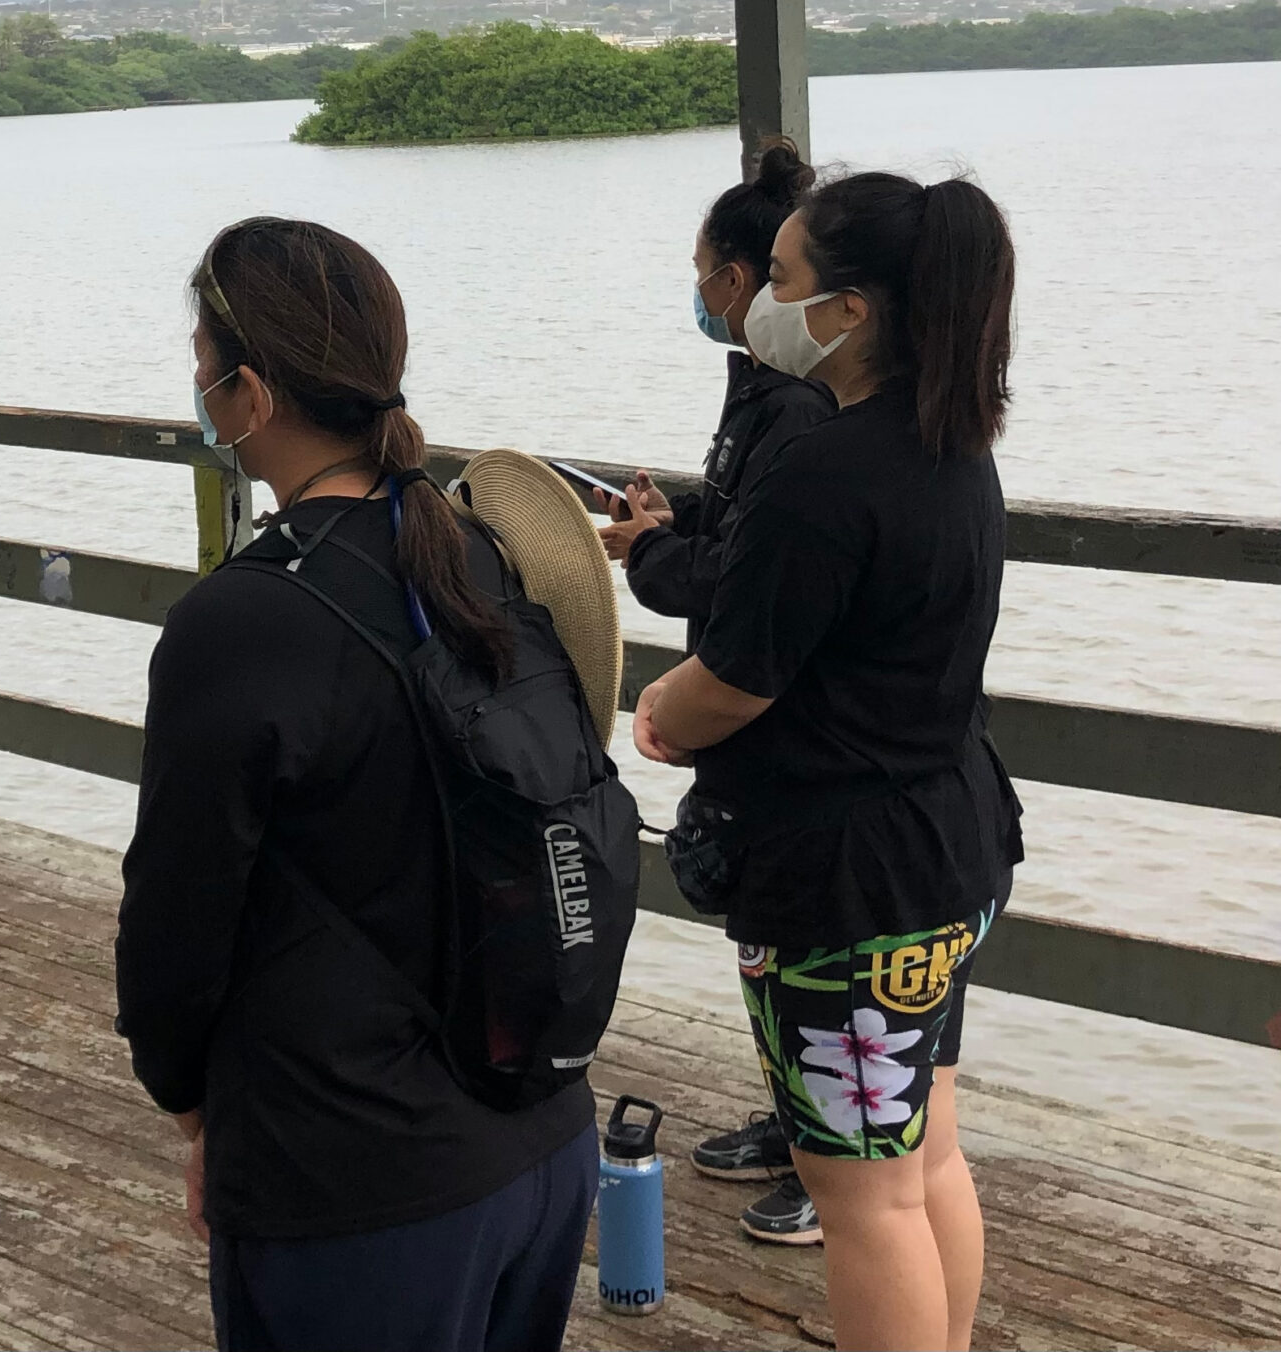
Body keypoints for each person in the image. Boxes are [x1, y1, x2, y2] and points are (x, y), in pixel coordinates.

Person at [117, 217, 598, 1352]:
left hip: (355, 1178)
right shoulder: (474, 554)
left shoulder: (240, 619)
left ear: (247, 396)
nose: (196, 389)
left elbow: (176, 921)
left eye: (200, 364)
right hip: (536, 1140)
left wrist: (192, 1106)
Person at [631, 172, 1025, 1352]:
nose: (764, 300)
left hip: (849, 888)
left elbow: (739, 677)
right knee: (924, 1157)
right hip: (951, 848)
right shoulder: (952, 445)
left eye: (786, 281)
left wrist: (659, 706)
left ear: (848, 310)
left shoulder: (825, 470)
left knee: (862, 1201)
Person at [596, 140, 835, 1247]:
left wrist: (650, 556)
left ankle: (833, 1162)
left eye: (707, 271)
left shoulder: (802, 413)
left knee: (806, 952)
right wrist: (672, 520)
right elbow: (736, 532)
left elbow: (758, 586)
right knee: (771, 945)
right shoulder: (759, 392)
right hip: (761, 760)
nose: (697, 291)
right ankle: (799, 1123)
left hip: (797, 746)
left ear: (741, 280)